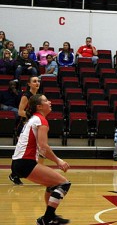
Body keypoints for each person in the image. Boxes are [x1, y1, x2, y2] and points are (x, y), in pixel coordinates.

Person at [10, 94, 71, 225]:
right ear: (39, 106)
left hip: (19, 162)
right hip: (25, 162)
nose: (50, 102)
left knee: (53, 184)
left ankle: (51, 216)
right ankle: (46, 219)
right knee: (64, 184)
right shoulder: (41, 120)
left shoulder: (34, 119)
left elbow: (40, 147)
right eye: (46, 100)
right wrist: (58, 161)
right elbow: (43, 147)